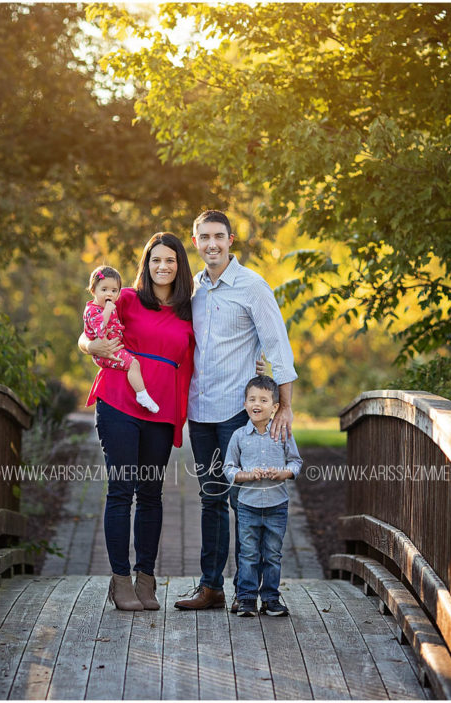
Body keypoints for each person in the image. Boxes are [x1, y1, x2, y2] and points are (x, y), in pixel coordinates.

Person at [174, 209, 298, 612]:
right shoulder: (191, 289)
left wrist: (284, 407)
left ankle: (256, 593)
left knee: (243, 500)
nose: (212, 244)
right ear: (195, 242)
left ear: (230, 241)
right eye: (204, 237)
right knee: (210, 498)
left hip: (237, 414)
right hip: (201, 411)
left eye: (219, 236)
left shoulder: (252, 286)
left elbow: (278, 347)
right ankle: (211, 588)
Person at [77, 233, 195, 611]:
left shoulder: (189, 310)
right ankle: (120, 579)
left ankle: (147, 577)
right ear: (146, 264)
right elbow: (89, 328)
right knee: (121, 489)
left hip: (160, 411)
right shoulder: (125, 297)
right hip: (119, 403)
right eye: (156, 260)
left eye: (170, 260)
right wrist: (88, 346)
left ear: (180, 266)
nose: (163, 267)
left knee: (150, 495)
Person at [223, 375, 302, 617]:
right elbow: (228, 467)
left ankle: (270, 598)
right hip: (248, 505)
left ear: (275, 406)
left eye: (264, 400)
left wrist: (284, 473)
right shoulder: (239, 436)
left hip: (277, 505)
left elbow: (295, 462)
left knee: (272, 554)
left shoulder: (284, 433)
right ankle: (246, 598)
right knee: (248, 553)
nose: (257, 404)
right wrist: (246, 476)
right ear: (245, 403)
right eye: (252, 399)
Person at [83, 265, 160, 413]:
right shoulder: (93, 310)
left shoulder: (107, 306)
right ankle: (142, 394)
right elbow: (99, 329)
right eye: (104, 289)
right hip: (105, 352)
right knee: (133, 364)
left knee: (133, 364)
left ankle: (141, 393)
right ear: (93, 290)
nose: (109, 294)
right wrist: (107, 310)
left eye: (114, 291)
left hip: (113, 348)